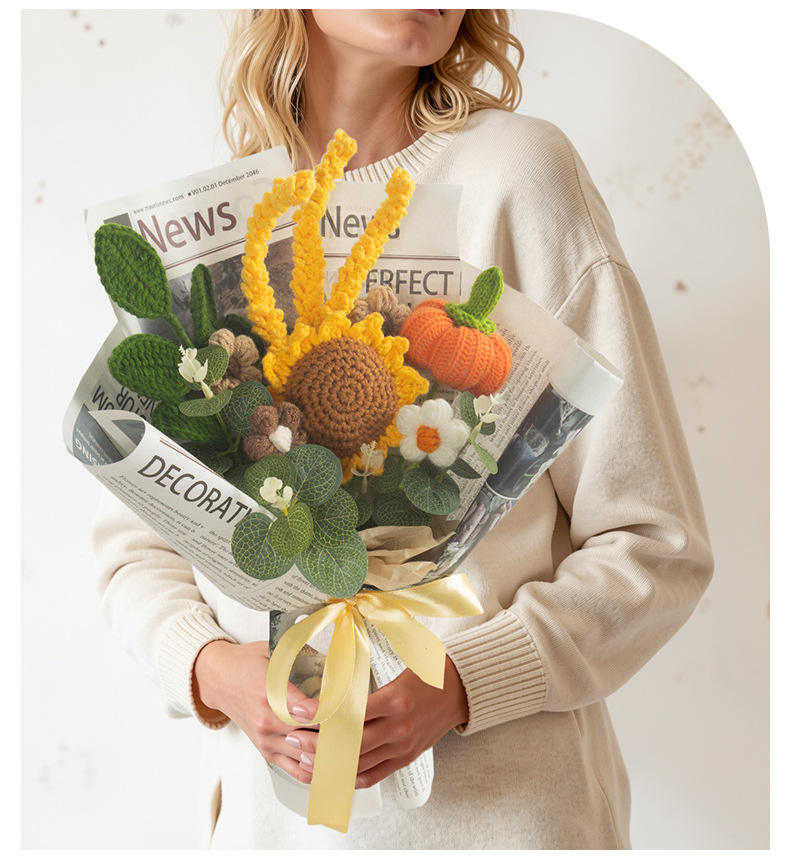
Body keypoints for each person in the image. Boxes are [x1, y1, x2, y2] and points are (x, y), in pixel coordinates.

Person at [93, 9, 714, 849]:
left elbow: (654, 542)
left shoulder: (517, 174)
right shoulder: (220, 223)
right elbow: (137, 546)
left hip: (511, 830)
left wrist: (464, 682)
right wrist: (213, 670)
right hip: (279, 838)